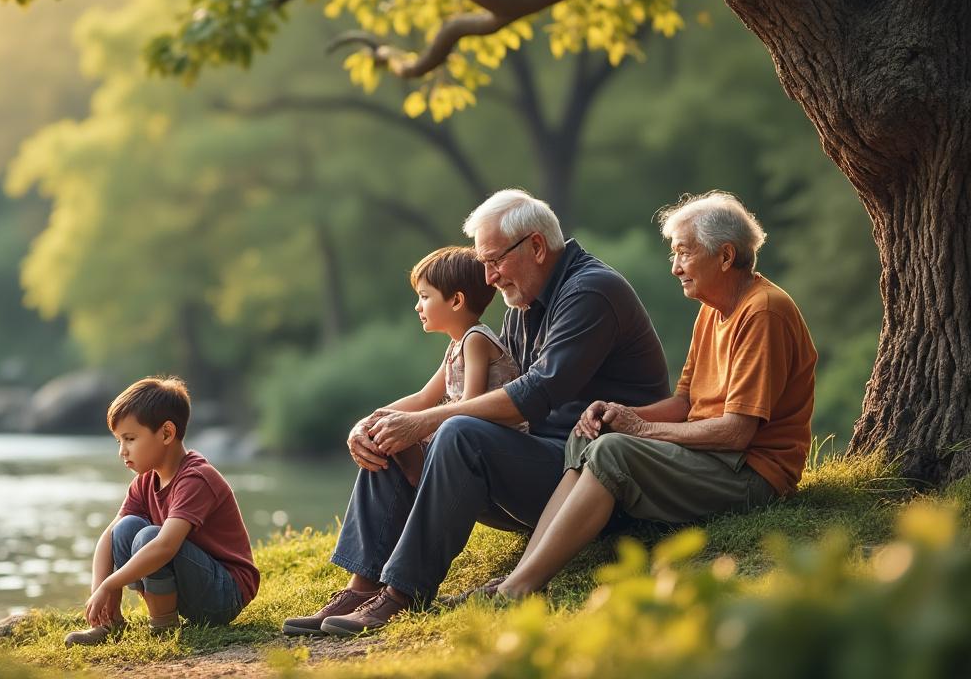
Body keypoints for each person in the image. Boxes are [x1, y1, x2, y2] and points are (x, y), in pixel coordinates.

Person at [282, 188, 668, 637]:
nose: (487, 277)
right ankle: (362, 585)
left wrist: (427, 421)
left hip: (596, 482)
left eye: (494, 261)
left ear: (537, 247)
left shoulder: (591, 292)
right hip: (546, 464)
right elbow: (447, 394)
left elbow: (536, 392)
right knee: (389, 435)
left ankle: (402, 594)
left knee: (457, 432)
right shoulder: (524, 303)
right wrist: (371, 424)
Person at [459, 191, 816, 602]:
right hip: (713, 457)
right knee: (592, 434)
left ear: (724, 256)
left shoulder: (763, 311)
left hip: (752, 473)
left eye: (684, 253)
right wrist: (620, 413)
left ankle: (520, 588)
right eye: (673, 255)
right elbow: (686, 402)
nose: (676, 267)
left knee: (612, 452)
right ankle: (517, 577)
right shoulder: (713, 310)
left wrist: (642, 429)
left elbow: (737, 432)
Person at [66, 377, 260, 646]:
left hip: (224, 594)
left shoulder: (196, 478)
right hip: (191, 586)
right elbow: (107, 539)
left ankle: (163, 626)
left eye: (130, 439)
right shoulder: (145, 481)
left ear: (167, 433)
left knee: (150, 538)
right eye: (119, 441)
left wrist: (110, 584)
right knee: (124, 530)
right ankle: (109, 623)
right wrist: (100, 588)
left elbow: (166, 546)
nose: (122, 451)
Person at [380, 246, 521, 487]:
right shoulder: (457, 345)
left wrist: (412, 428)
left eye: (424, 297)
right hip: (463, 431)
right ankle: (418, 494)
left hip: (494, 444)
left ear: (456, 300)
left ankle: (425, 493)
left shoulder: (475, 339)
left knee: (395, 442)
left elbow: (469, 404)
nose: (418, 306)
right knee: (383, 437)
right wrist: (375, 419)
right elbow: (424, 397)